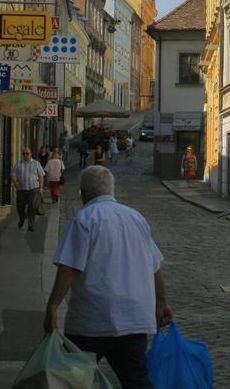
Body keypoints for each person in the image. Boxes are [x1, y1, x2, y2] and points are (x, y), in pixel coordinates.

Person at [44, 166, 173, 388]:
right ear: (111, 190)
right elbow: (155, 266)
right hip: (134, 319)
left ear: (84, 193)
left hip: (93, 319)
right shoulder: (136, 218)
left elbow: (69, 269)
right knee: (136, 381)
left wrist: (53, 306)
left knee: (75, 379)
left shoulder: (84, 219)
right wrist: (162, 302)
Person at [11, 148, 45, 232]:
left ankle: (31, 225)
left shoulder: (36, 164)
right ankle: (22, 218)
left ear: (31, 154)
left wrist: (41, 189)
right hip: (21, 189)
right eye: (24, 154)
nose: (25, 155)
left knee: (31, 207)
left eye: (27, 153)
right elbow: (13, 174)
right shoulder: (18, 164)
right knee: (20, 207)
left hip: (33, 188)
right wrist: (16, 183)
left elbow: (41, 176)